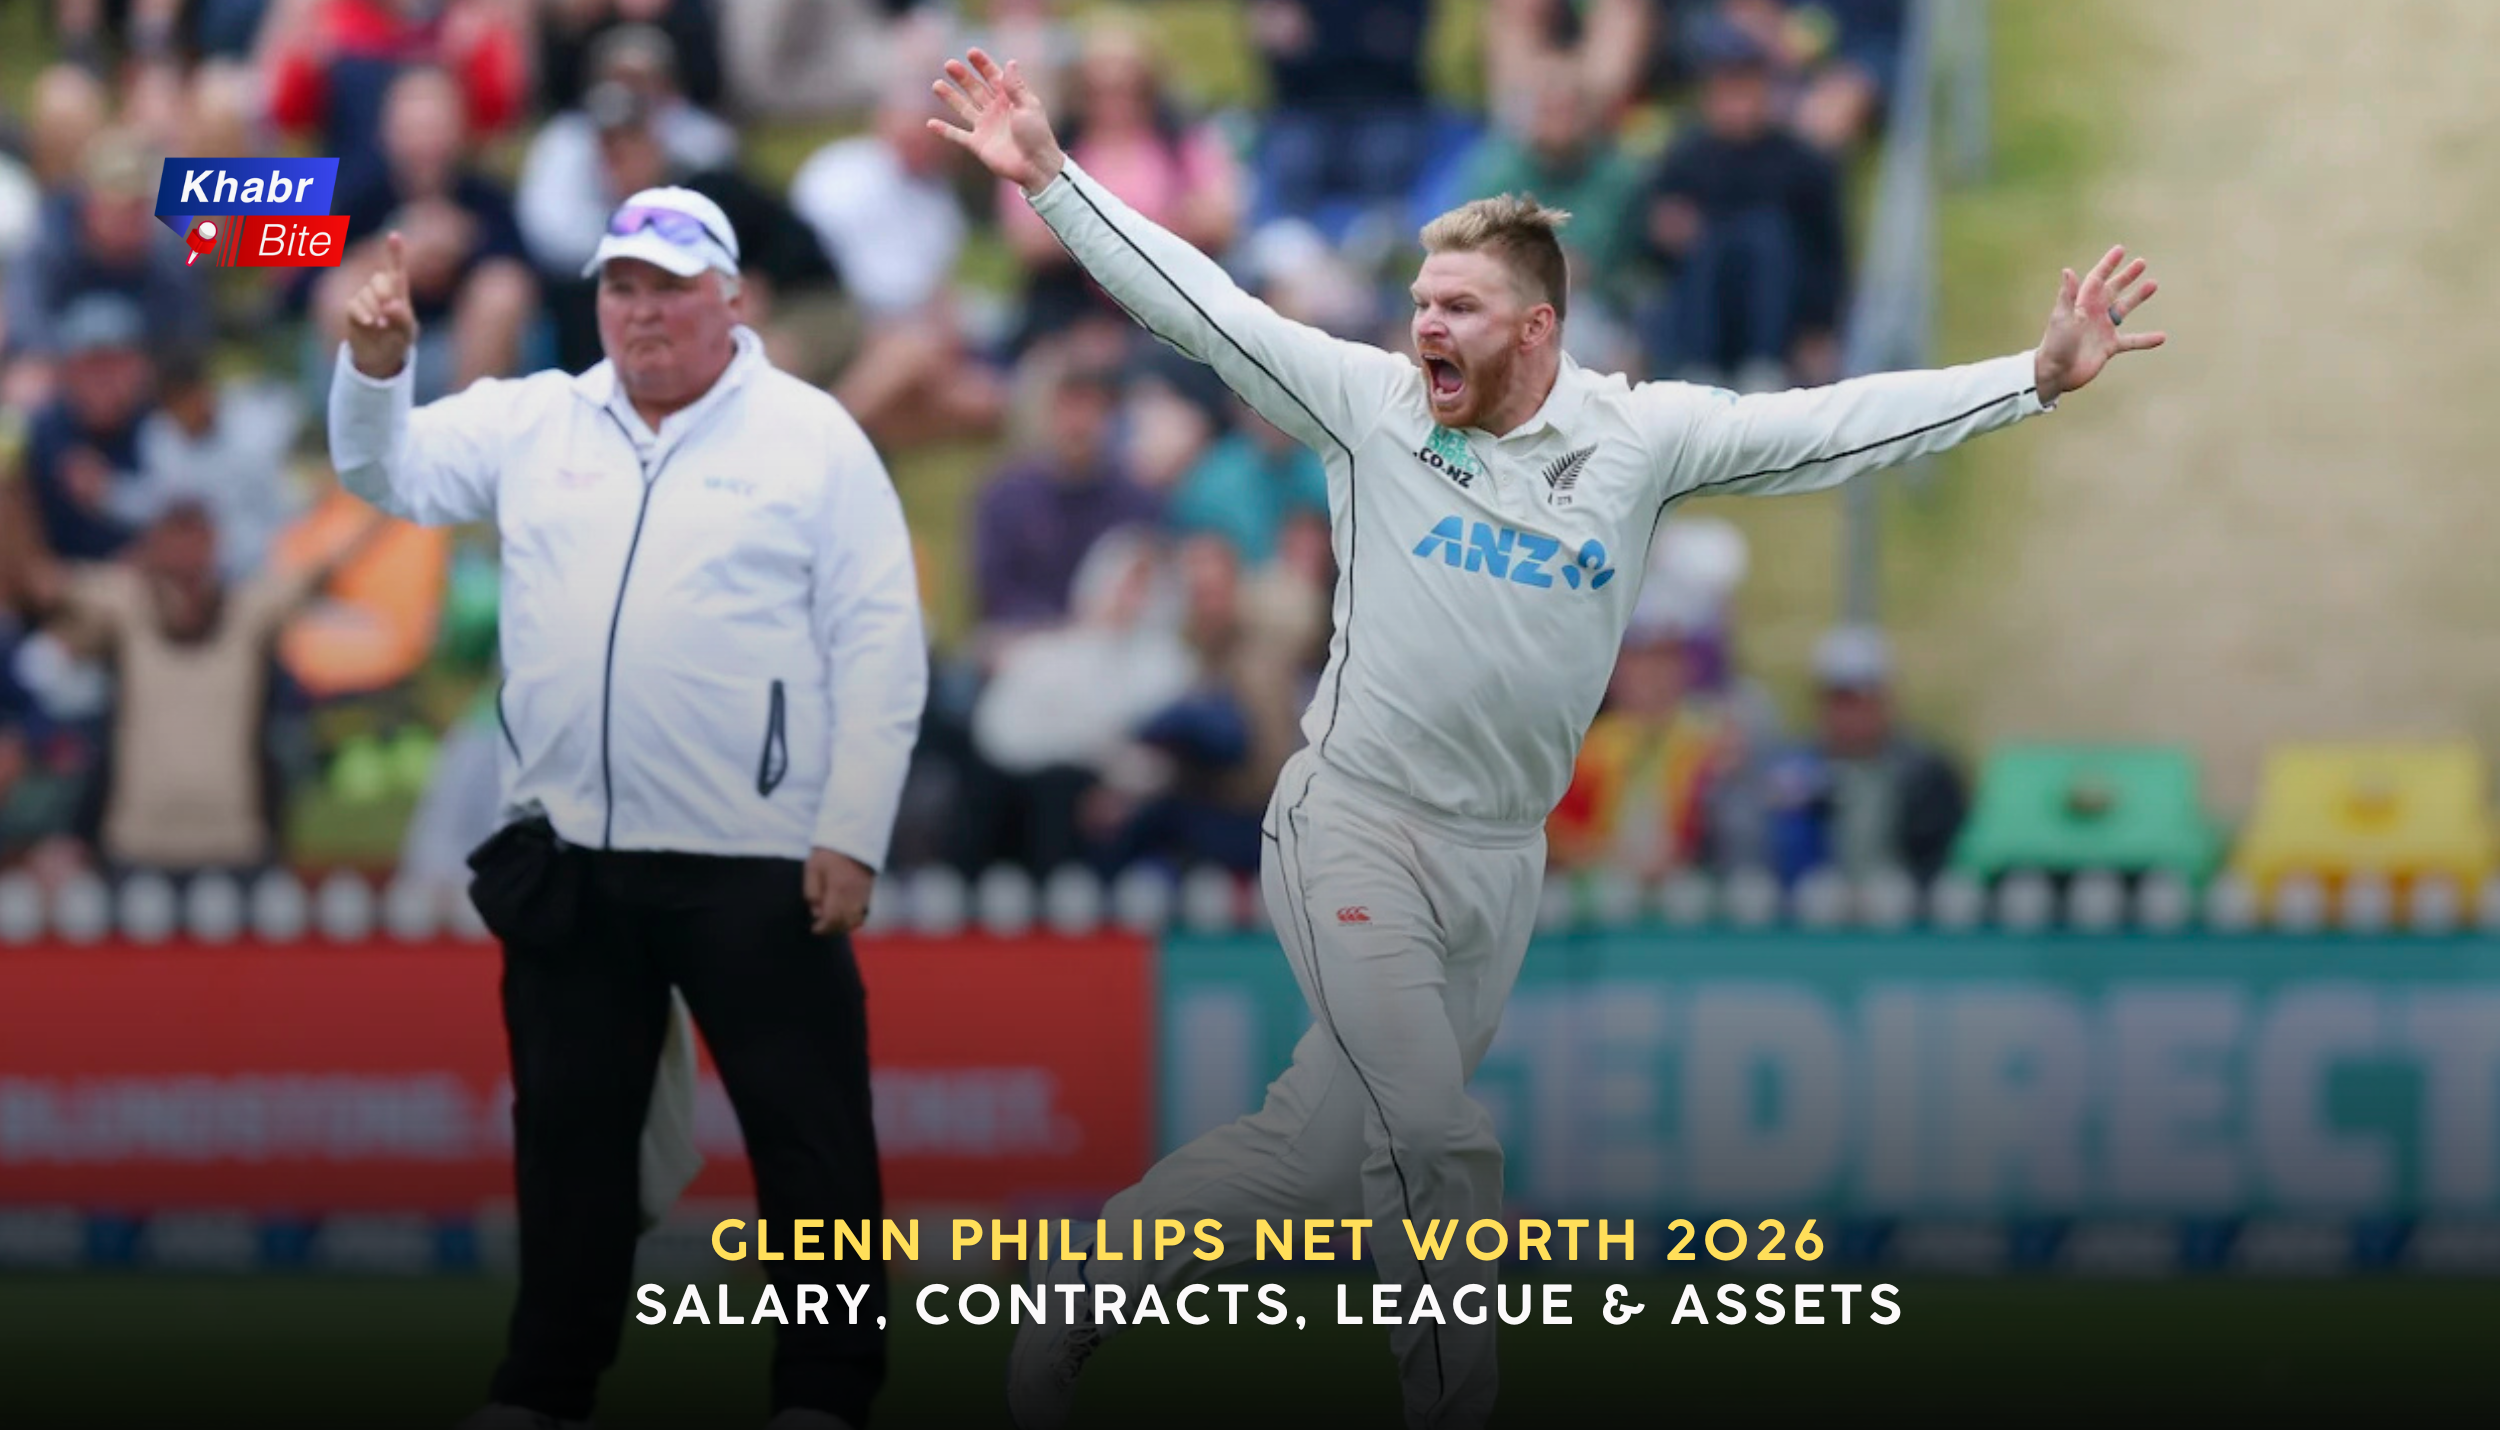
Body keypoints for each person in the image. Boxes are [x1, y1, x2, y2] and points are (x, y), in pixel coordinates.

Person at [928, 46, 2164, 1430]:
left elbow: (1831, 425)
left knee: (1317, 1145)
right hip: (1353, 821)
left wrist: (2031, 378)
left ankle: (1085, 1288)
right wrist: (1053, 180)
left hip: (1496, 860)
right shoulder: (1370, 407)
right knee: (1435, 1135)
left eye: (1456, 307)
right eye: (1418, 303)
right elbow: (1205, 311)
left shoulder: (1637, 440)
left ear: (1535, 329)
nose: (1424, 327)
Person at [328, 185, 926, 1430]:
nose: (641, 311)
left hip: (757, 857)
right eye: (621, 287)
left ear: (733, 299)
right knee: (568, 1140)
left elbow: (880, 644)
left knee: (808, 1137)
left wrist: (851, 826)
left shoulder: (812, 437)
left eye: (669, 287)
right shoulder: (536, 417)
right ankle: (545, 1388)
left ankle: (825, 1391)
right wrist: (377, 369)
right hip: (573, 854)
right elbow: (387, 471)